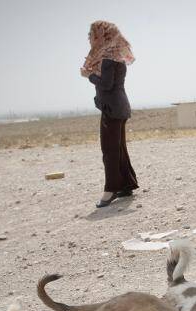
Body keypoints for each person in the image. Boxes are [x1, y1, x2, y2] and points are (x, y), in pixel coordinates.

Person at [81, 21, 138, 208]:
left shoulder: (107, 57)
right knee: (118, 147)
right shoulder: (116, 55)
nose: (89, 38)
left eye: (91, 35)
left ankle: (110, 190)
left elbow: (106, 84)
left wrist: (88, 75)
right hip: (119, 107)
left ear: (100, 35)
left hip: (112, 109)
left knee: (110, 150)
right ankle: (127, 185)